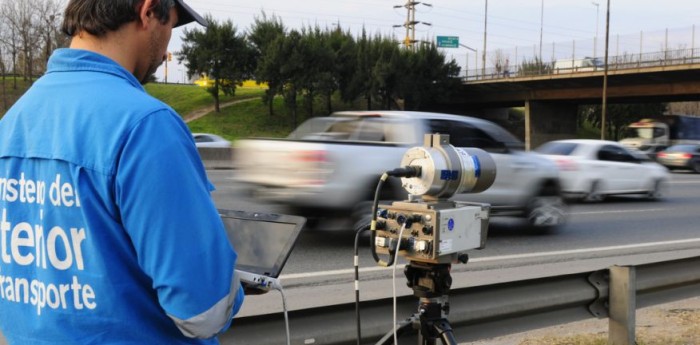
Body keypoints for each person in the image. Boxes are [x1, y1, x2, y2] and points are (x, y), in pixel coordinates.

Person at [0, 0, 244, 343]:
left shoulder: (13, 121)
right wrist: (227, 281)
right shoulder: (146, 126)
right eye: (170, 26)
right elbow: (204, 311)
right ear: (147, 11)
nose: (164, 52)